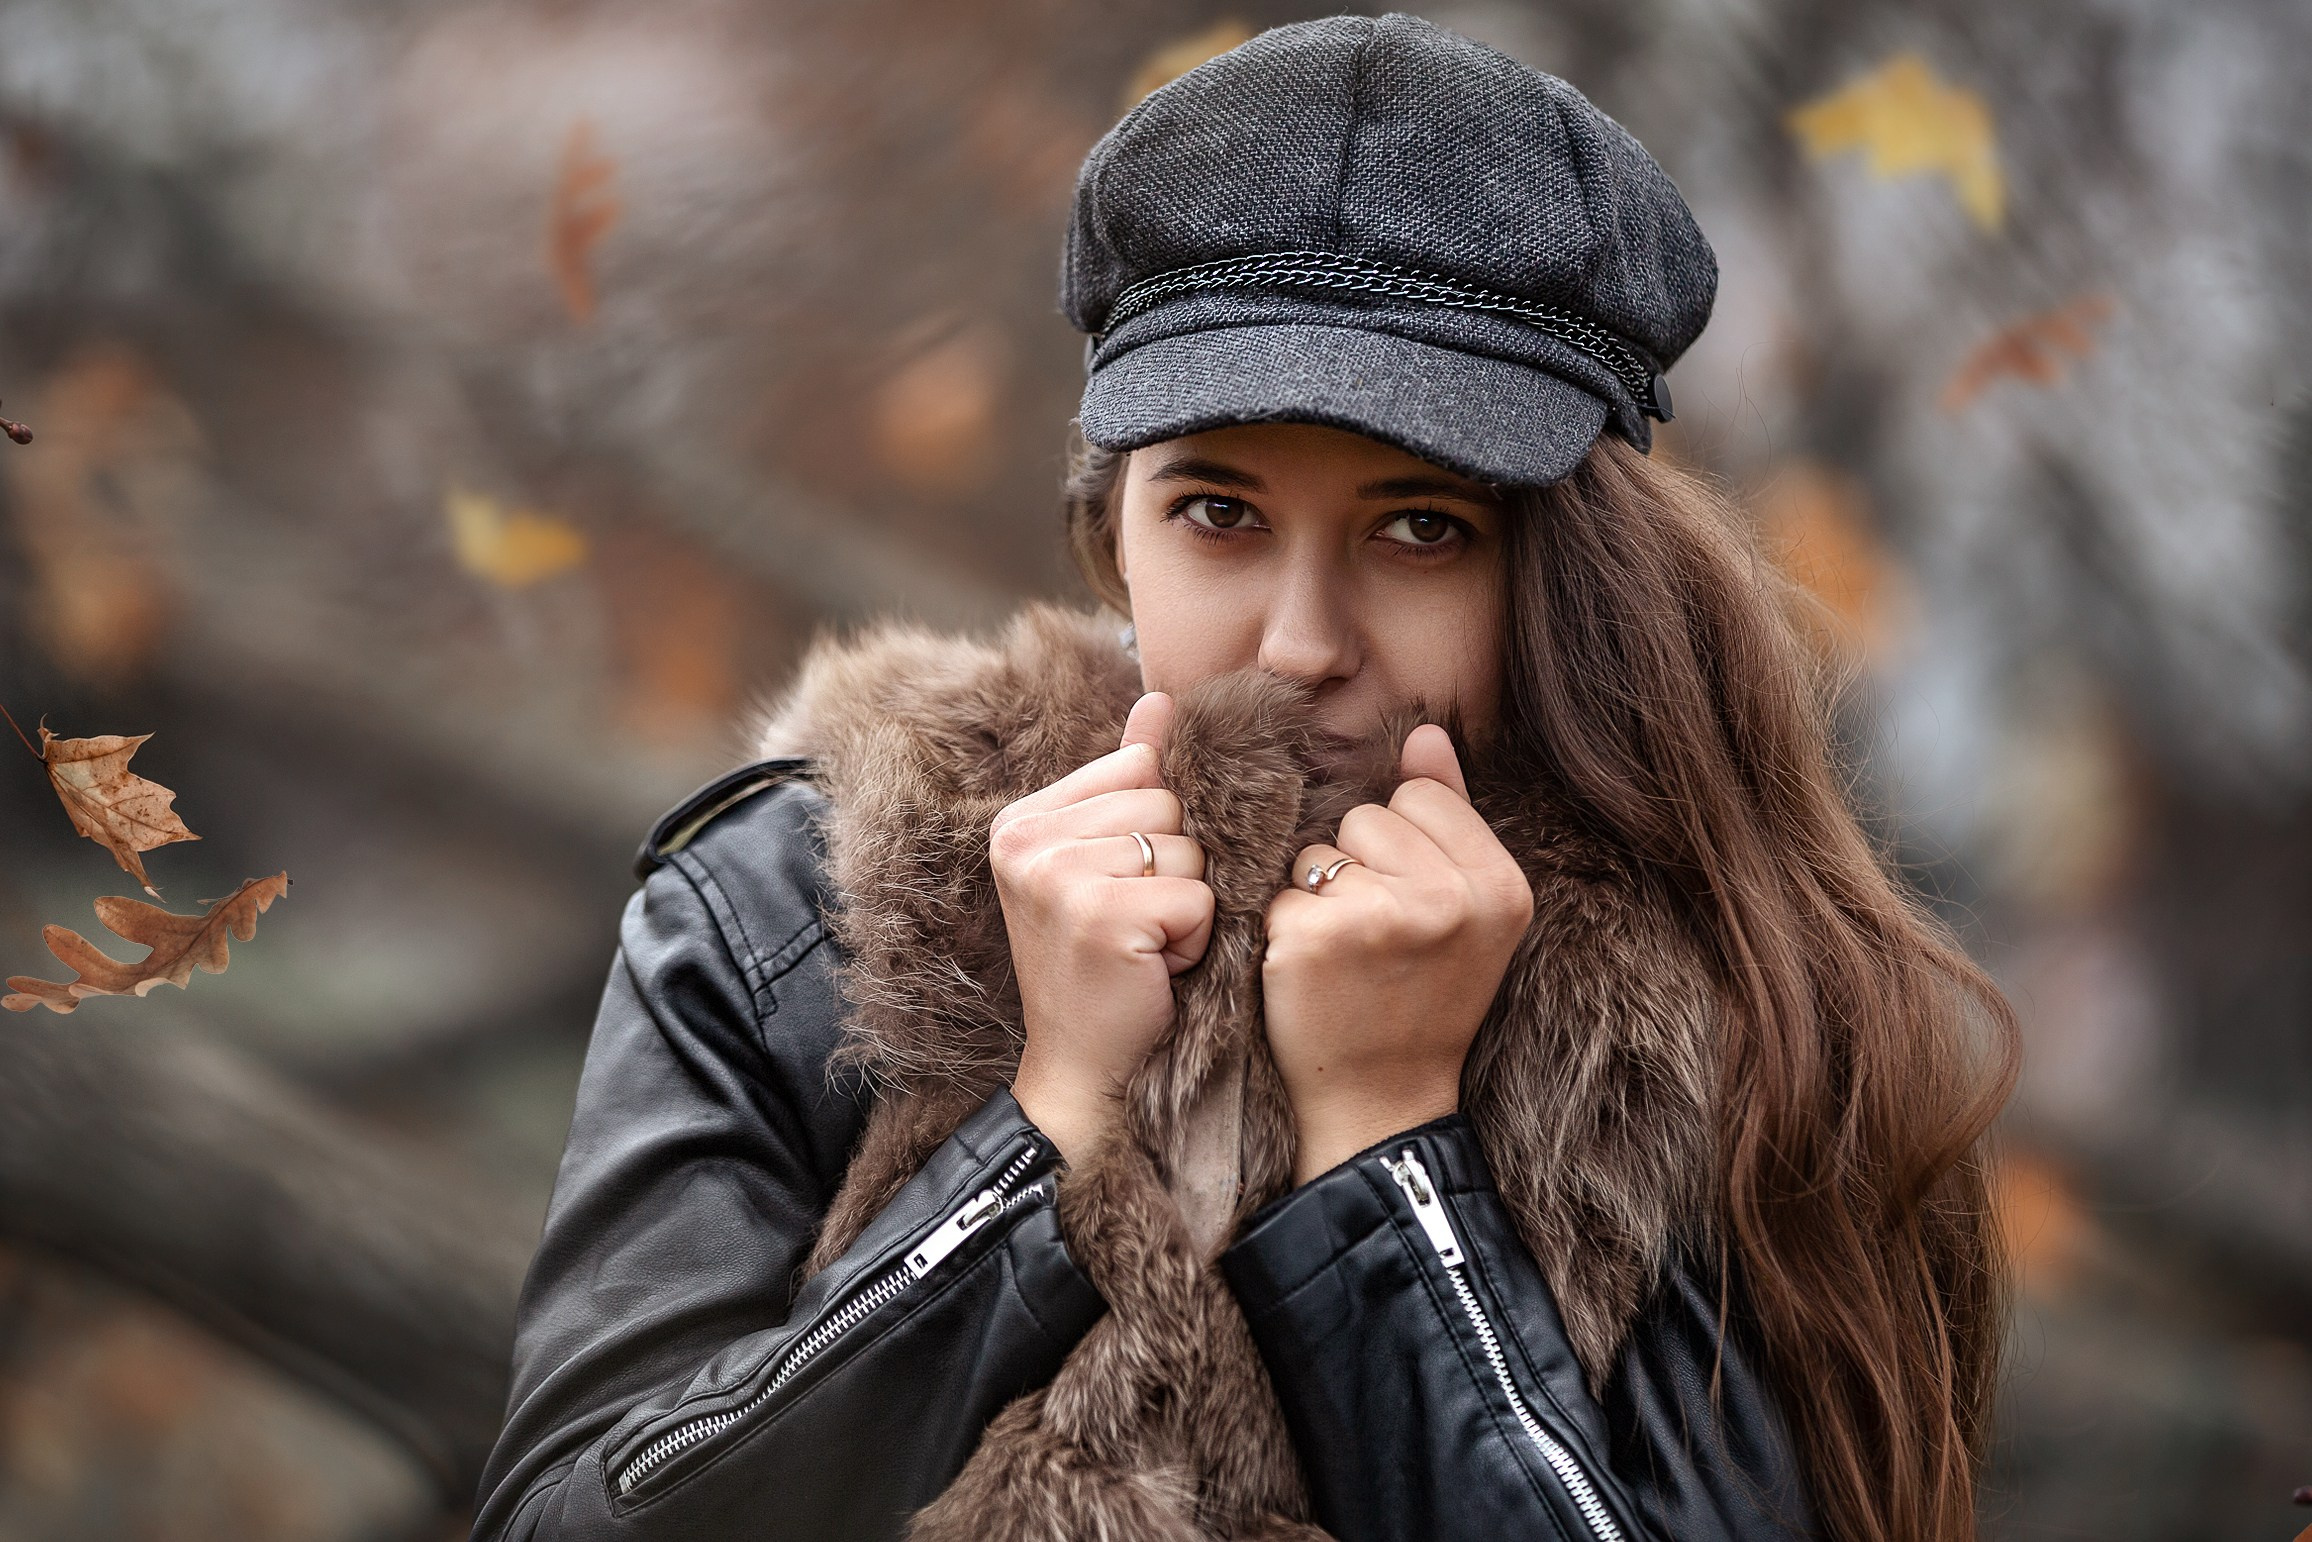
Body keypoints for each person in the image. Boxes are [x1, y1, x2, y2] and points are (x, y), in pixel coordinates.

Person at [471, 15, 2018, 1542]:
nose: (1299, 643)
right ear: (1109, 529)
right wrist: (1047, 1123)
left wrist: (1389, 1146)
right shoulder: (803, 908)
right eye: (1218, 511)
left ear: (1562, 569)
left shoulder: (1737, 1011)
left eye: (1423, 528)